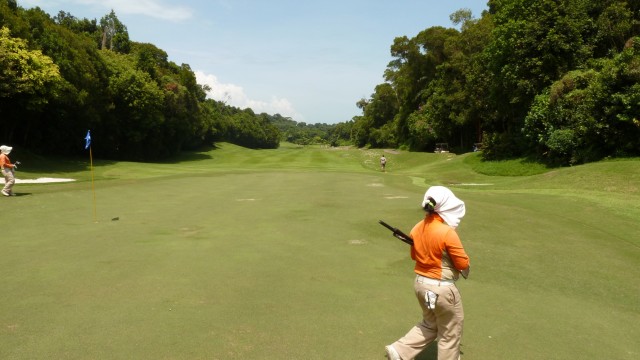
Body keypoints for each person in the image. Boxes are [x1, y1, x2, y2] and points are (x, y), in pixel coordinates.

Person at [385, 186, 470, 360]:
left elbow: (414, 255)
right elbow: (463, 263)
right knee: (450, 331)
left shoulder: (417, 228)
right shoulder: (447, 232)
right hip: (442, 289)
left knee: (431, 323)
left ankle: (399, 351)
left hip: (422, 287)